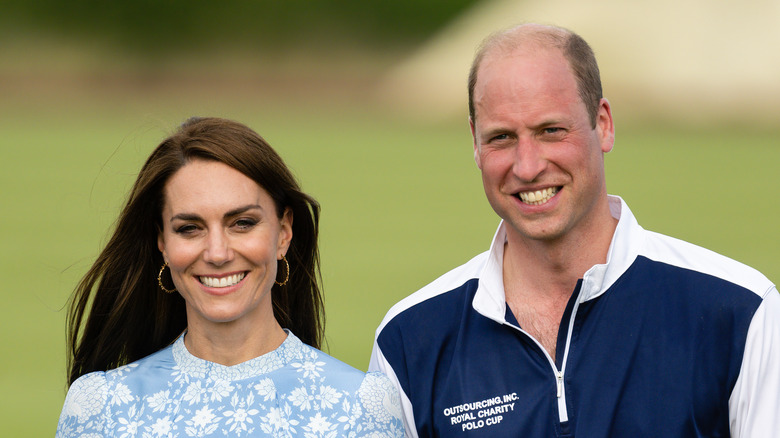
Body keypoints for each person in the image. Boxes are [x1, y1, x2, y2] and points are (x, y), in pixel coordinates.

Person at [369, 23, 780, 437]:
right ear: (475, 143)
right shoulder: (408, 340)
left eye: (551, 131)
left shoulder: (741, 312)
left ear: (602, 124)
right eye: (501, 137)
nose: (527, 166)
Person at [57, 117, 404, 437]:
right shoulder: (100, 407)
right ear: (162, 241)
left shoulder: (361, 405)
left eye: (242, 223)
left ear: (283, 232)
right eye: (189, 228)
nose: (217, 253)